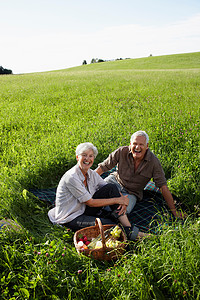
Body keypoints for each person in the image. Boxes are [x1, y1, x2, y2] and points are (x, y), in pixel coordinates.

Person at [48, 142, 147, 240]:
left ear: (93, 158)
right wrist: (118, 200)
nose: (87, 159)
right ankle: (136, 235)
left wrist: (122, 200)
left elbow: (109, 188)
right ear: (77, 157)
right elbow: (91, 202)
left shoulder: (91, 173)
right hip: (71, 217)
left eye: (91, 156)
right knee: (110, 225)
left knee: (111, 187)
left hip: (83, 209)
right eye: (84, 155)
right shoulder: (72, 177)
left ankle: (126, 225)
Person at [96, 131, 184, 219]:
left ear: (147, 146)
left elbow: (163, 187)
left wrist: (174, 211)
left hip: (132, 193)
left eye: (141, 144)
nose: (137, 147)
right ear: (130, 144)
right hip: (115, 181)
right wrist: (85, 180)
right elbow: (102, 168)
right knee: (96, 195)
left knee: (120, 212)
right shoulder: (121, 152)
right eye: (135, 143)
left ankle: (105, 219)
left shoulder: (153, 162)